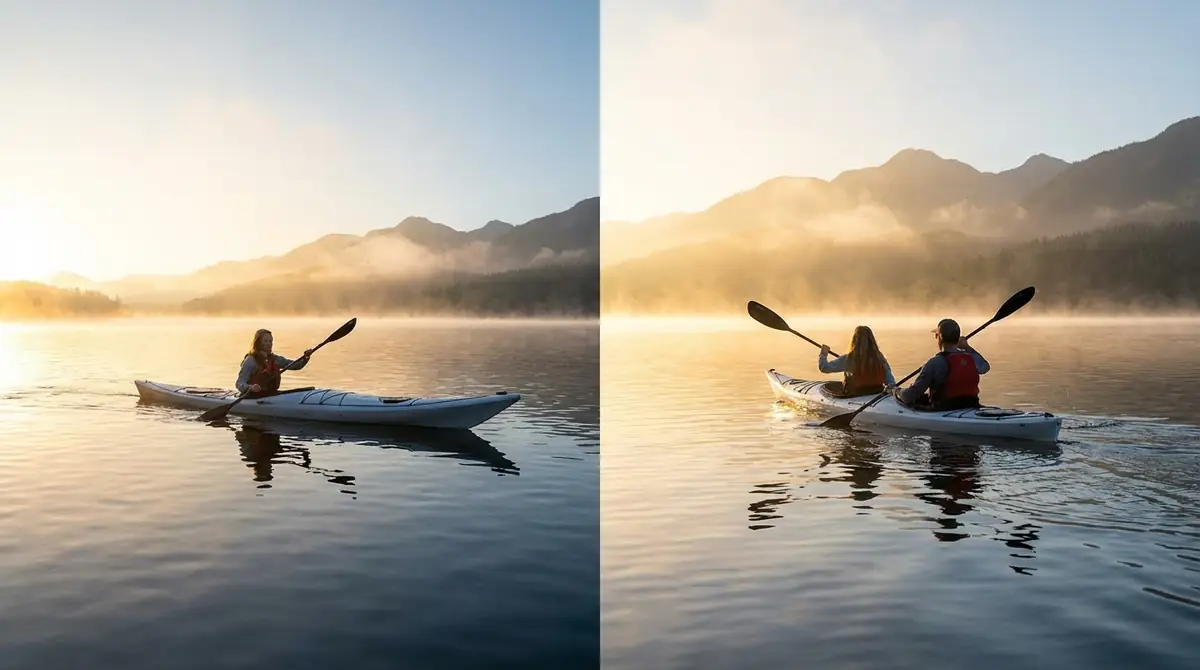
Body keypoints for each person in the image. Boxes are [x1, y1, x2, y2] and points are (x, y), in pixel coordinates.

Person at [896, 318, 990, 410]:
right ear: (958, 338)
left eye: (936, 335)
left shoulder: (935, 362)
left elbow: (908, 397)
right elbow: (985, 367)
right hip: (971, 406)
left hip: (943, 409)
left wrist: (895, 390)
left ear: (939, 337)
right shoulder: (970, 358)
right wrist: (967, 347)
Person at [818, 325, 897, 397]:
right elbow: (891, 382)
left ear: (854, 340)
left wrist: (823, 354)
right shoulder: (880, 358)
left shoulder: (848, 359)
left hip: (855, 395)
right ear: (872, 340)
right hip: (877, 393)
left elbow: (824, 368)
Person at [235, 328, 314, 397]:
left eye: (270, 341)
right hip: (252, 397)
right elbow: (239, 383)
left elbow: (296, 365)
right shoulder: (251, 361)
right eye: (266, 341)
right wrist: (250, 387)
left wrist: (306, 357)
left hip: (271, 395)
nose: (269, 344)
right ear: (258, 343)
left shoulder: (275, 359)